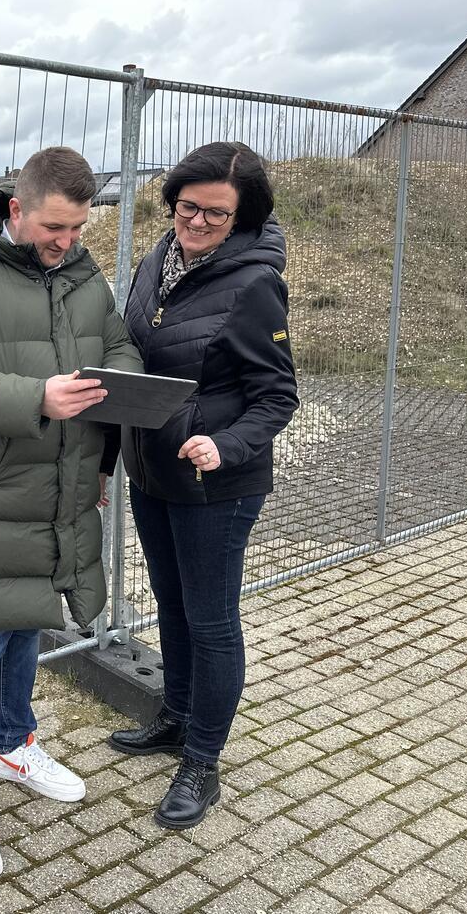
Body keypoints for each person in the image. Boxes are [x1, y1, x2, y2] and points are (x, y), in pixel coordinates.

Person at [0, 146, 143, 877]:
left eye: (77, 229)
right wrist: (34, 398)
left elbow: (121, 348)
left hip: (58, 489)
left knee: (25, 623)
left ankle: (11, 743)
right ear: (15, 208)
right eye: (53, 226)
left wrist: (116, 388)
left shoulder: (82, 277)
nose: (66, 242)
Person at [108, 141, 298, 829]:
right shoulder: (159, 256)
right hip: (154, 470)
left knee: (212, 620)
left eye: (216, 214)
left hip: (218, 483)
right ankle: (176, 716)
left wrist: (224, 444)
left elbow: (277, 396)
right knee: (172, 604)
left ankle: (203, 760)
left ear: (242, 217)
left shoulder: (254, 283)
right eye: (189, 206)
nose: (197, 222)